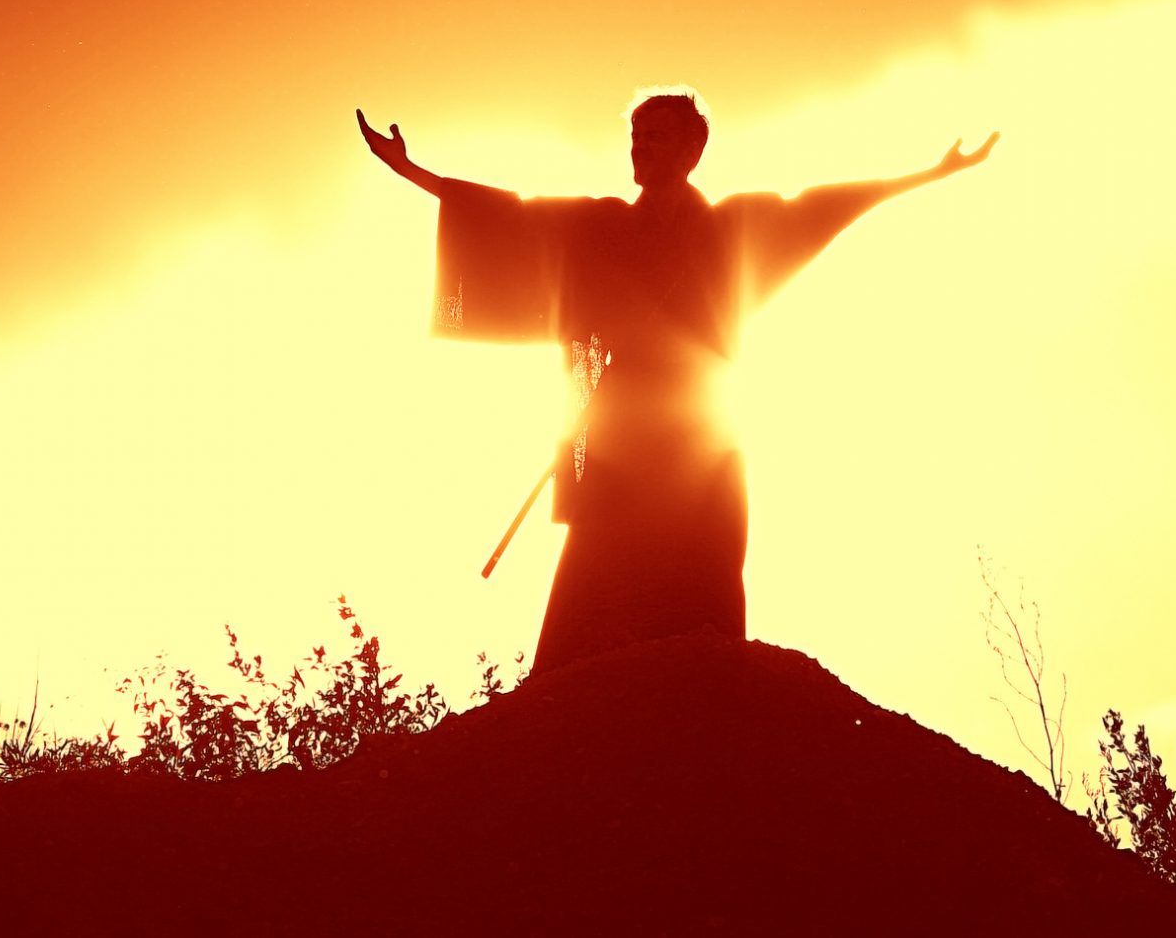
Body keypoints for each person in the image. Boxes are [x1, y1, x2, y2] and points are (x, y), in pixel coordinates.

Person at [356, 92, 996, 672]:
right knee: (592, 605)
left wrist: (931, 174)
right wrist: (410, 171)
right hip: (614, 443)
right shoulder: (599, 227)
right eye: (635, 136)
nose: (640, 148)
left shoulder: (731, 228)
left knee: (701, 597)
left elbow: (821, 207)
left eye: (656, 136)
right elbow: (513, 218)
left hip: (700, 440)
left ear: (693, 150)